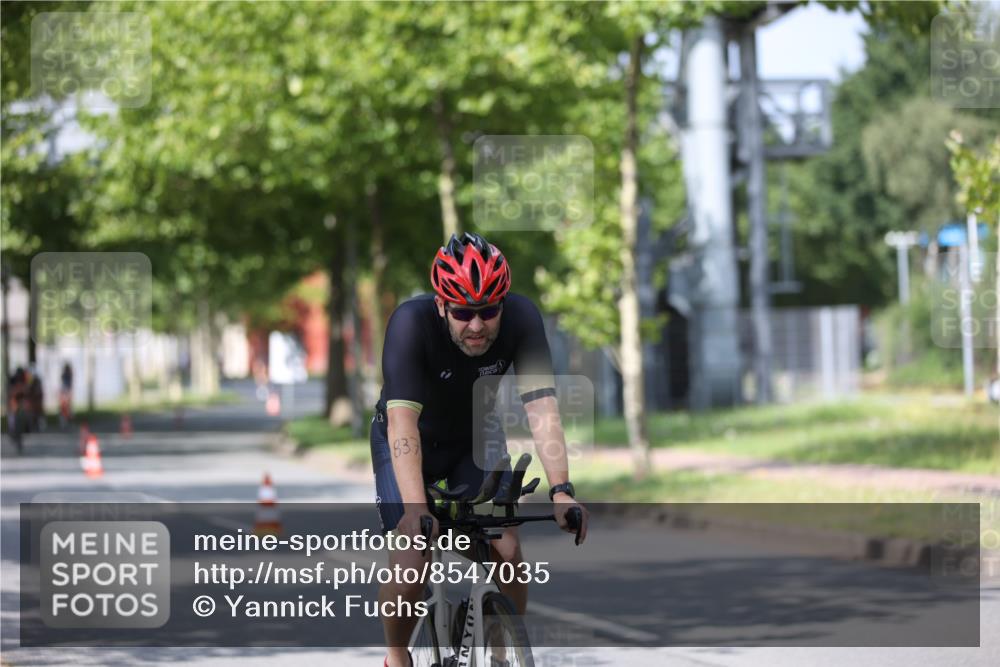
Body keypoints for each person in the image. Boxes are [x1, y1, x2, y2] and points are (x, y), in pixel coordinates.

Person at [370, 232, 588, 667]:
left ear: (503, 304)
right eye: (463, 312)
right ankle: (396, 657)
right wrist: (417, 508)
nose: (476, 325)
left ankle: (504, 651)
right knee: (413, 558)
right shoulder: (411, 324)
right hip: (407, 441)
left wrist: (562, 489)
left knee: (506, 549)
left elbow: (542, 408)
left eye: (488, 312)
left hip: (475, 438)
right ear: (441, 305)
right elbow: (402, 424)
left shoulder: (523, 319)